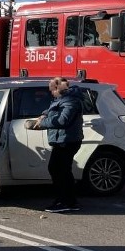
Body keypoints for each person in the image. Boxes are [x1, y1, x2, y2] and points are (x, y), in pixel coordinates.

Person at [27, 77, 84, 213]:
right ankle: (64, 199)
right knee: (56, 169)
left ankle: (67, 201)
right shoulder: (63, 98)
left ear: (58, 88)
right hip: (61, 140)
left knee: (61, 170)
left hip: (67, 141)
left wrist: (42, 123)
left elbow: (62, 120)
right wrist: (43, 115)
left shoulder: (71, 100)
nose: (51, 93)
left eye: (52, 90)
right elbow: (53, 108)